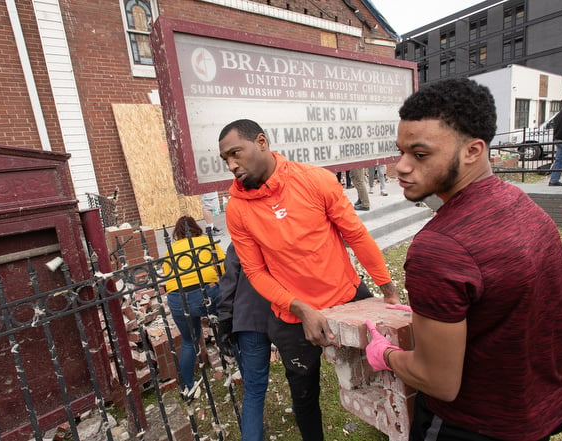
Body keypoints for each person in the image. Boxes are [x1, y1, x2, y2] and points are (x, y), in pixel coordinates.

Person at [365, 78, 562, 441]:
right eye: (399, 152)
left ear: (473, 151)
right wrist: (430, 317)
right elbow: (504, 307)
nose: (400, 167)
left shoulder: (439, 247)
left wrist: (385, 354)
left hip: (475, 424)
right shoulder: (525, 207)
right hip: (542, 409)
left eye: (419, 154)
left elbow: (438, 381)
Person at [218, 119, 399, 441]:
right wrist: (300, 308)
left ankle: (393, 428)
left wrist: (387, 287)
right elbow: (256, 272)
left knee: (386, 369)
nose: (232, 165)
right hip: (291, 314)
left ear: (261, 142)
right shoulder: (237, 209)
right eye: (226, 160)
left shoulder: (315, 180)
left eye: (236, 153)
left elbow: (355, 235)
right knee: (303, 393)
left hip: (347, 294)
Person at [162, 215, 225, 398]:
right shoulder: (207, 242)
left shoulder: (171, 250)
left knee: (189, 340)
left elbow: (167, 279)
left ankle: (187, 386)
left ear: (177, 233)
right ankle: (245, 371)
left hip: (177, 298)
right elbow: (223, 268)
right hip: (205, 292)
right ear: (196, 228)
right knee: (227, 326)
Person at [216, 243, 272, 441]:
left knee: (254, 389)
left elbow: (229, 282)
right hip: (281, 313)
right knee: (298, 378)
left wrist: (225, 318)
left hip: (252, 316)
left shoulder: (241, 239)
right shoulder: (283, 228)